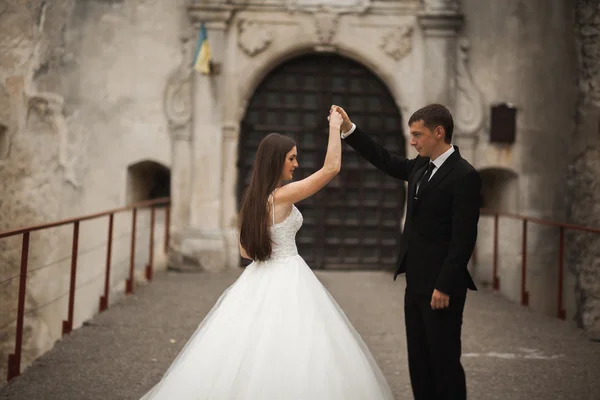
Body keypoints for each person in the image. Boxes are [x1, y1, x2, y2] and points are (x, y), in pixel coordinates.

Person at [139, 110, 393, 399]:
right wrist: (336, 127)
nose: (296, 164)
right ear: (276, 161)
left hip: (259, 277)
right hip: (288, 275)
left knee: (252, 347)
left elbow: (245, 251)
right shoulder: (280, 197)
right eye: (292, 158)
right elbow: (331, 168)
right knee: (293, 347)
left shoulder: (256, 199)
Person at [332, 103, 481, 400]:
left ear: (439, 133)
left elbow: (464, 239)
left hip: (442, 287)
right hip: (415, 282)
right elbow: (385, 160)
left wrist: (444, 285)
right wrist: (349, 129)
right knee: (419, 363)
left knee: (444, 362)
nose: (413, 141)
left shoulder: (464, 175)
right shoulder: (420, 166)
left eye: (417, 135)